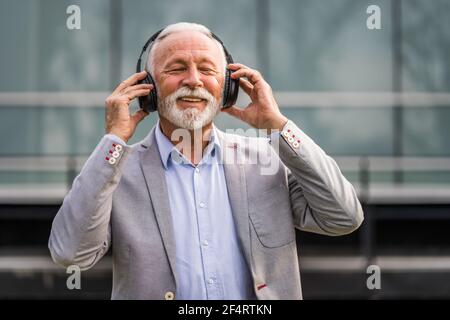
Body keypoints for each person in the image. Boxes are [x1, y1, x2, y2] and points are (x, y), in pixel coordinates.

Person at [49, 22, 364, 300]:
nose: (194, 80)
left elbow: (344, 217)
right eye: (176, 69)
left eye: (207, 69)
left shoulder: (266, 160)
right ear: (148, 89)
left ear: (228, 87)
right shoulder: (115, 171)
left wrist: (277, 126)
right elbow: (71, 254)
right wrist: (113, 141)